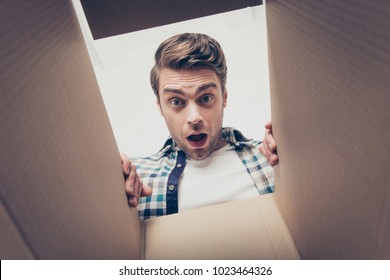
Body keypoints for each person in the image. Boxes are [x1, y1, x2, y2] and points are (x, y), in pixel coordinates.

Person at [121, 33, 278, 220]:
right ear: (160, 107)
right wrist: (110, 177)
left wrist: (293, 147)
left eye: (205, 98)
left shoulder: (269, 159)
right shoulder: (138, 178)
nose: (194, 118)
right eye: (177, 101)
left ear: (224, 98)